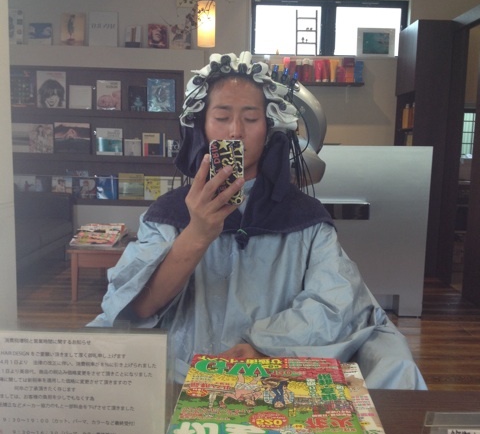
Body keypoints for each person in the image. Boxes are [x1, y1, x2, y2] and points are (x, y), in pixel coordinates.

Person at [90, 51, 427, 391]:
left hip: (275, 374)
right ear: (202, 125)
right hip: (184, 376)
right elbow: (137, 305)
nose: (235, 131)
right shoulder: (168, 214)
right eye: (221, 117)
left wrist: (263, 347)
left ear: (269, 129)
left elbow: (336, 302)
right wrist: (197, 234)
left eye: (251, 118)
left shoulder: (306, 218)